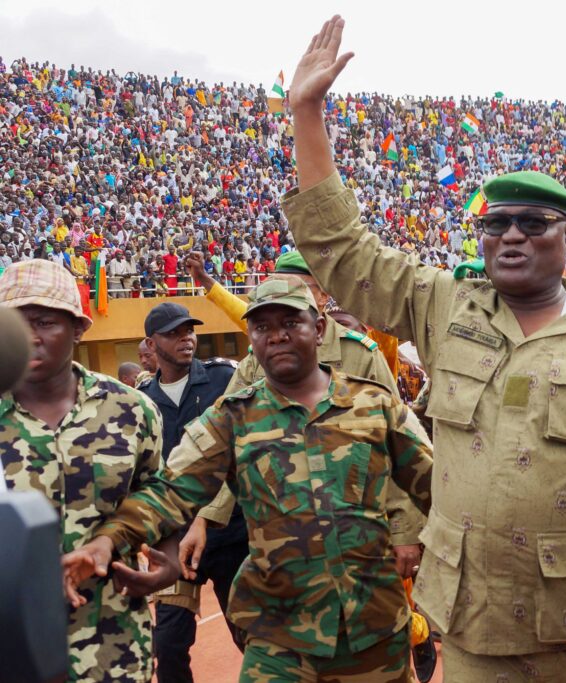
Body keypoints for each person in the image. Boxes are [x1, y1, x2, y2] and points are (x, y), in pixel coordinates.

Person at [283, 17, 566, 682]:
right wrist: (308, 115)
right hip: (475, 632)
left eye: (533, 223)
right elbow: (344, 253)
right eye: (494, 223)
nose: (510, 235)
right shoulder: (444, 304)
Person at [63, 277, 433, 683]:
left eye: (291, 323)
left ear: (321, 329)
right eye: (262, 328)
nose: (276, 337)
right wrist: (109, 539)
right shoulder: (232, 416)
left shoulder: (374, 404)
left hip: (372, 629)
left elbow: (438, 490)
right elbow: (170, 491)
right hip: (279, 635)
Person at [184, 249, 427, 579]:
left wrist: (404, 531)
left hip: (360, 535)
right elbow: (223, 447)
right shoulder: (256, 363)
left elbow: (398, 447)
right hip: (285, 540)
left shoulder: (362, 355)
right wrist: (204, 516)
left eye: (297, 288)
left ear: (323, 296)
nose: (284, 298)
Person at [0, 259, 177, 682]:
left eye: (43, 322)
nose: (28, 338)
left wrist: (166, 567)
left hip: (112, 646)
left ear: (79, 328)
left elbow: (160, 491)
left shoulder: (131, 410)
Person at [139, 302, 246, 682]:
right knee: (167, 647)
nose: (186, 338)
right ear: (151, 344)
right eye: (173, 333)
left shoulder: (224, 379)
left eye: (189, 330)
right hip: (175, 541)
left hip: (231, 535)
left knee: (252, 639)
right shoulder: (141, 402)